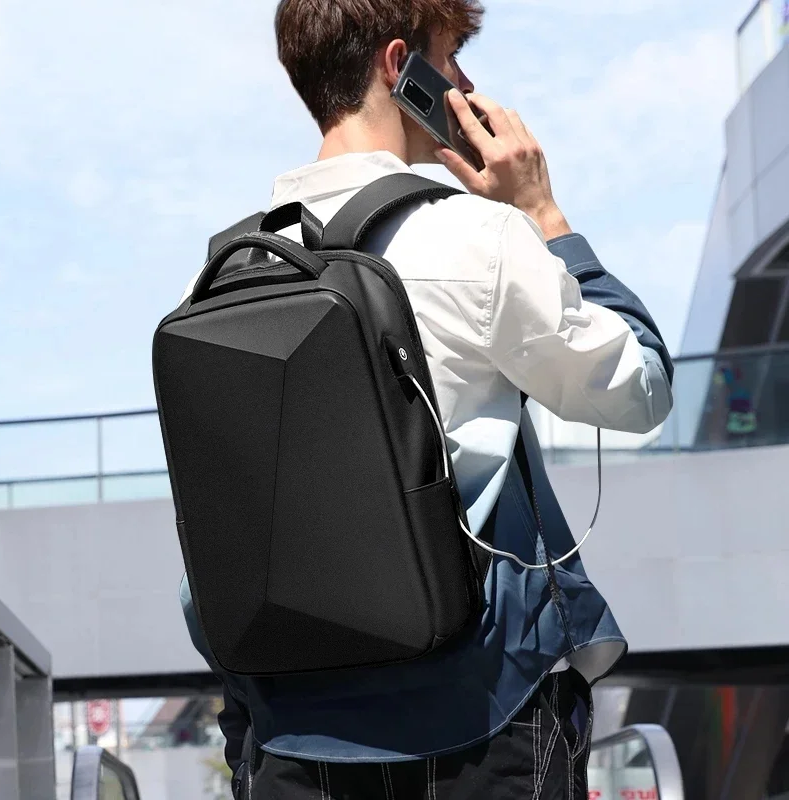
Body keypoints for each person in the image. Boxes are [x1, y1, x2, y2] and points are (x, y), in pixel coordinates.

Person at [180, 0, 674, 797]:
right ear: (398, 64)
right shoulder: (477, 236)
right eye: (452, 58)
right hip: (476, 722)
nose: (467, 84)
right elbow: (642, 389)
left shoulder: (220, 280)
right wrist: (541, 209)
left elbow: (210, 549)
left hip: (293, 740)